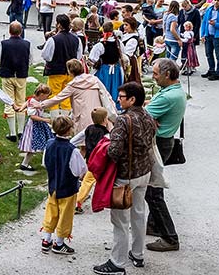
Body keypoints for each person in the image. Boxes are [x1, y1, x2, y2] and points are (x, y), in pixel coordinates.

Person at [93, 81, 156, 275]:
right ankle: (138, 254)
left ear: (132, 99)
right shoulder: (147, 115)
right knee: (138, 213)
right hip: (144, 172)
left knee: (120, 221)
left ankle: (117, 262)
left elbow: (114, 151)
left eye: (121, 97)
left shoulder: (123, 120)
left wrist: (106, 142)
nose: (118, 100)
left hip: (125, 176)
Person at [144, 59, 186, 253]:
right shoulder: (175, 91)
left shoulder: (168, 97)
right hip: (166, 141)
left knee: (153, 192)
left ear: (167, 75)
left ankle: (170, 238)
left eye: (155, 73)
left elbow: (140, 116)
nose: (153, 76)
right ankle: (154, 225)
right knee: (154, 187)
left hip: (158, 144)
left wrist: (147, 113)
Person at [40, 116, 87, 256]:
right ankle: (59, 243)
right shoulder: (72, 150)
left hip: (53, 186)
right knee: (65, 215)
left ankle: (46, 239)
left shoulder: (49, 144)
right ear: (68, 130)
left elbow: (44, 162)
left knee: (51, 212)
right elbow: (79, 170)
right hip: (67, 188)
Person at [0, 22, 31, 142]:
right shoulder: (26, 44)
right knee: (21, 101)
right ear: (20, 32)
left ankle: (13, 132)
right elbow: (30, 60)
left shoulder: (3, 44)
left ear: (10, 32)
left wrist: (1, 64)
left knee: (9, 101)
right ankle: (20, 131)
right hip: (21, 75)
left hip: (7, 74)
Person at [41, 14, 82, 118]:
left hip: (56, 71)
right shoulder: (76, 39)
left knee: (53, 95)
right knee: (67, 96)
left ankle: (55, 122)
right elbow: (78, 56)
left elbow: (46, 55)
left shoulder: (53, 39)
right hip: (70, 72)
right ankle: (65, 121)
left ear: (59, 25)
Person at [75, 107, 110, 214]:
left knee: (89, 180)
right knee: (89, 181)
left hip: (90, 158)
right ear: (105, 120)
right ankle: (77, 202)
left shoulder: (89, 128)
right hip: (100, 161)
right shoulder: (105, 133)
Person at [18, 84, 54, 171]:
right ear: (41, 95)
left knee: (46, 141)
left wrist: (21, 108)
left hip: (39, 125)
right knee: (34, 145)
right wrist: (45, 120)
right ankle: (42, 162)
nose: (47, 98)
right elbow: (32, 116)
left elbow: (27, 102)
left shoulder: (33, 101)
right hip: (34, 126)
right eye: (46, 96)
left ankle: (26, 163)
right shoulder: (34, 103)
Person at [89, 22, 124, 102]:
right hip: (116, 69)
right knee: (115, 87)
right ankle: (115, 105)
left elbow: (93, 58)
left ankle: (103, 104)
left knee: (104, 88)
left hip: (104, 70)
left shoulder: (100, 45)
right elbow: (123, 53)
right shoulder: (118, 43)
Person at [121, 17, 144, 85]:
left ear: (132, 25)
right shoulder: (126, 35)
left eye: (126, 25)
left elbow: (128, 53)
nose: (124, 27)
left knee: (130, 81)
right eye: (124, 25)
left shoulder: (133, 39)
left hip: (129, 61)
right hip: (124, 59)